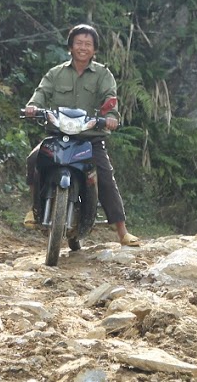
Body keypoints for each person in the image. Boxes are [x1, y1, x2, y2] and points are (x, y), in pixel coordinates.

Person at [21, 24, 140, 247]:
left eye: (88, 44)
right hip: (59, 136)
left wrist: (111, 116)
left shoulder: (103, 74)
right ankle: (34, 209)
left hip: (90, 138)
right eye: (78, 43)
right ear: (70, 46)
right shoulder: (55, 73)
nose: (83, 47)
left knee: (105, 177)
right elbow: (41, 93)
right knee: (34, 159)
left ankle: (122, 230)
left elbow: (109, 99)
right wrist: (33, 107)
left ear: (94, 49)